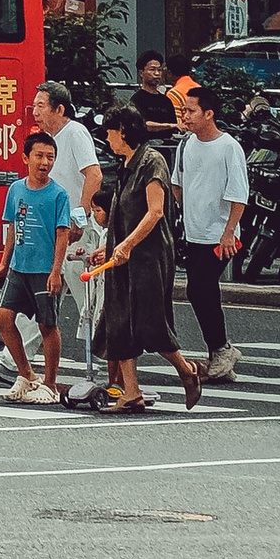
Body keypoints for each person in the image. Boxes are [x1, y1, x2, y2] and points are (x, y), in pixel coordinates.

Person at [77, 99, 202, 413]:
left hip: (148, 257)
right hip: (122, 256)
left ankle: (187, 371)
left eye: (110, 132)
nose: (107, 138)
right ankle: (131, 393)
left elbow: (155, 211)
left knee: (150, 323)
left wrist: (128, 245)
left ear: (122, 130)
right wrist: (110, 247)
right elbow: (122, 216)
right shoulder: (126, 165)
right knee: (117, 322)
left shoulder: (151, 161)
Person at [0, 131, 81, 402]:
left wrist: (56, 271)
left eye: (50, 157)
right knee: (3, 317)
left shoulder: (58, 194)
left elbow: (63, 233)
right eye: (39, 156)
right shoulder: (16, 189)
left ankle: (50, 384)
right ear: (25, 158)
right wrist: (4, 263)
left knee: (47, 325)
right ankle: (27, 375)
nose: (45, 162)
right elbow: (12, 228)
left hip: (45, 270)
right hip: (19, 267)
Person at [175, 81, 249, 387]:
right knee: (203, 291)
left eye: (191, 111)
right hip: (194, 233)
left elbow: (239, 194)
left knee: (199, 288)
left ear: (209, 114)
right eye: (184, 110)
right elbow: (177, 184)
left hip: (220, 235)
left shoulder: (228, 147)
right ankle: (220, 356)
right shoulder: (185, 145)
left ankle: (222, 349)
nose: (185, 116)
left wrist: (229, 231)